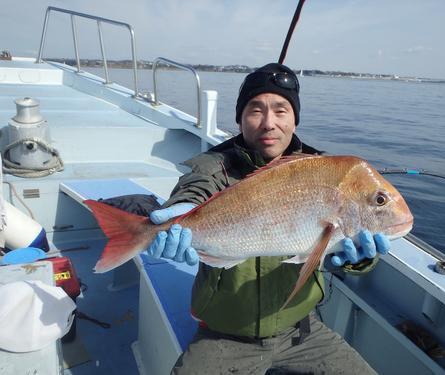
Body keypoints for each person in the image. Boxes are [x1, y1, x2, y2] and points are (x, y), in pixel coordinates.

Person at [147, 63, 390, 374]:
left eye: (281, 110)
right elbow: (195, 189)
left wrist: (357, 258)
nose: (268, 123)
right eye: (255, 109)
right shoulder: (214, 168)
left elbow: (339, 239)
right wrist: (182, 209)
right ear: (239, 118)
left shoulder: (321, 172)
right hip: (224, 336)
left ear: (294, 119)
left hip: (303, 331)